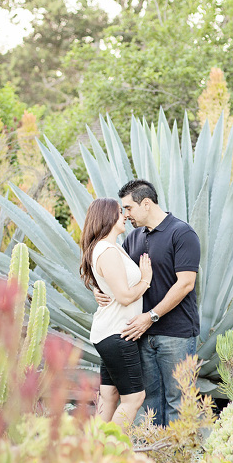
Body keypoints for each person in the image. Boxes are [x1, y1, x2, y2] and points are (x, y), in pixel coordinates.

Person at [95, 179, 201, 427]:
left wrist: (151, 316)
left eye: (128, 208)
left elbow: (186, 283)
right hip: (140, 334)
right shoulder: (133, 238)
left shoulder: (182, 233)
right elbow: (116, 275)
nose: (125, 214)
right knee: (150, 404)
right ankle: (154, 452)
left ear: (146, 204)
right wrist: (98, 292)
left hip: (176, 334)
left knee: (179, 401)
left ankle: (179, 452)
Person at [80, 197, 153, 426]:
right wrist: (146, 280)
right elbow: (124, 296)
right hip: (117, 334)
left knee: (109, 396)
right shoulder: (107, 251)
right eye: (120, 212)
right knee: (134, 398)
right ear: (108, 217)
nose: (125, 216)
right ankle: (112, 445)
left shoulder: (108, 248)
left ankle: (94, 445)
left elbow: (110, 287)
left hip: (109, 333)